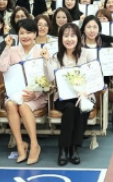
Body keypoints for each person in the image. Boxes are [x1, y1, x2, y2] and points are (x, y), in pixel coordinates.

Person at [45, 23, 96, 166]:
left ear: (78, 38)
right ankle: (65, 148)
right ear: (61, 39)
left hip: (84, 96)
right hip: (63, 97)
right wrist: (46, 61)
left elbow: (94, 77)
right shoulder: (56, 57)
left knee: (80, 108)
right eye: (65, 36)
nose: (69, 39)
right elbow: (50, 78)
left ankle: (72, 148)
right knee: (69, 108)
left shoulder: (87, 54)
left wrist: (86, 92)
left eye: (72, 36)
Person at [0, 19, 45, 165]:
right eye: (21, 33)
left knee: (24, 106)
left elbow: (48, 77)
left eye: (29, 32)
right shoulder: (11, 51)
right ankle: (20, 145)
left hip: (36, 95)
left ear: (35, 34)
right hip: (15, 93)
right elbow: (2, 68)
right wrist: (7, 48)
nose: (25, 36)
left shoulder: (41, 50)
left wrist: (35, 94)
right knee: (11, 104)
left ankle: (34, 145)